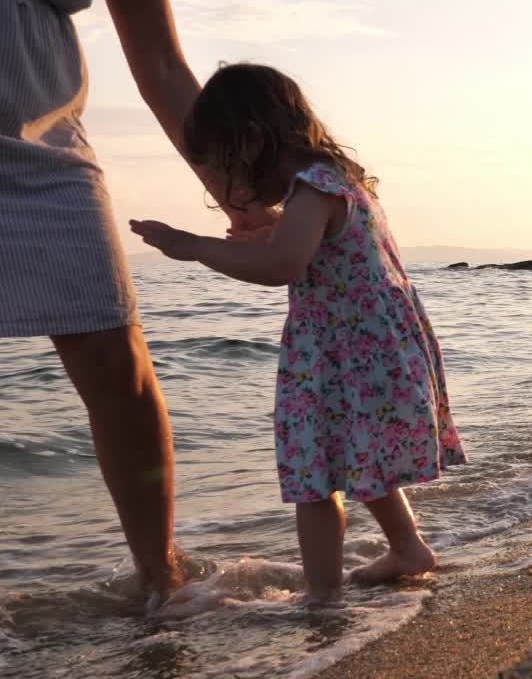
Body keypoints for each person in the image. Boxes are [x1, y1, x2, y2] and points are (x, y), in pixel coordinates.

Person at [131, 63, 468, 604]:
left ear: (254, 139)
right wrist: (264, 233)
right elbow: (300, 249)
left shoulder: (312, 191)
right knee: (353, 456)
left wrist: (193, 247)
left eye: (229, 164)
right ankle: (407, 548)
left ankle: (321, 597)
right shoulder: (338, 180)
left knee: (315, 475)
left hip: (343, 351)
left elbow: (282, 265)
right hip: (366, 348)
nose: (234, 184)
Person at [0, 0, 219, 605]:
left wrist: (238, 188)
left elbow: (161, 68)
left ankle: (162, 584)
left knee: (119, 367)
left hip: (47, 149)